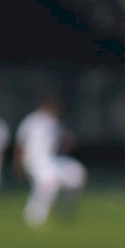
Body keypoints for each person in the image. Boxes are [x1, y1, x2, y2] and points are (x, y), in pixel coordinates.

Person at [14, 96, 87, 228]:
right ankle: (34, 217)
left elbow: (65, 141)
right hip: (34, 160)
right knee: (49, 183)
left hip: (51, 160)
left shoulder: (55, 123)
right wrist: (18, 164)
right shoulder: (32, 121)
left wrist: (68, 141)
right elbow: (20, 143)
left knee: (77, 173)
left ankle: (64, 210)